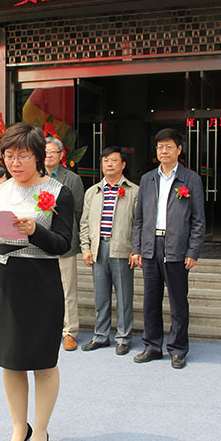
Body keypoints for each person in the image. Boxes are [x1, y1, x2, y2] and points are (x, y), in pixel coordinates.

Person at [0, 123, 72, 441]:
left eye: (23, 156)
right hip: (5, 280)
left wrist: (34, 231)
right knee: (11, 360)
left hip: (41, 283)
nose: (14, 162)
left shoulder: (58, 192)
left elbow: (63, 244)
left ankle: (41, 431)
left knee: (43, 362)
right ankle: (20, 428)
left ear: (38, 156)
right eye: (9, 155)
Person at [131, 128, 205, 369]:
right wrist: (137, 248)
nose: (164, 151)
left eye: (169, 147)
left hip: (176, 247)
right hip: (151, 246)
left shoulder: (191, 179)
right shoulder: (147, 179)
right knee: (151, 301)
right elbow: (139, 218)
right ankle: (152, 346)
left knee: (178, 301)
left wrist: (193, 251)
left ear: (179, 149)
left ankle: (178, 349)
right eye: (160, 147)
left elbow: (198, 220)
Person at [79, 146, 139, 355]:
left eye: (114, 160)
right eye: (105, 160)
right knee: (101, 296)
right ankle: (101, 336)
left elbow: (139, 224)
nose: (109, 164)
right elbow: (84, 222)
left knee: (124, 297)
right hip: (98, 249)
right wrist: (85, 248)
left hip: (122, 248)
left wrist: (135, 249)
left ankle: (123, 337)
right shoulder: (92, 192)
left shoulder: (134, 191)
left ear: (123, 164)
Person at [44, 136, 84, 351]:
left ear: (61, 155)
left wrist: (77, 240)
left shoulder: (72, 179)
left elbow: (78, 212)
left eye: (53, 152)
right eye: (46, 151)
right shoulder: (35, 176)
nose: (49, 155)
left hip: (64, 241)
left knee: (67, 289)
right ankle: (46, 328)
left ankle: (69, 332)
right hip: (40, 241)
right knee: (42, 288)